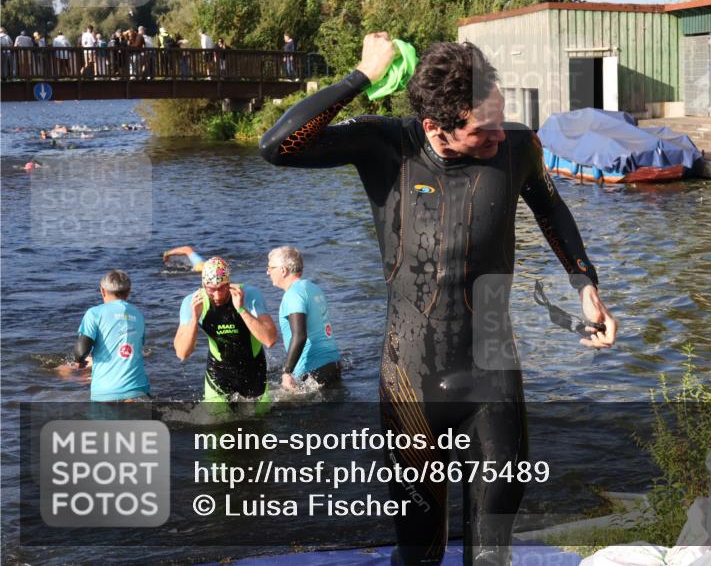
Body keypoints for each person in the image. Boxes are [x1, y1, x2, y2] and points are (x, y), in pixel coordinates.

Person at [260, 33, 617, 565]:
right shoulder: (387, 147)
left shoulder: (518, 146)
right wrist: (360, 75)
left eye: (501, 118)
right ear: (436, 128)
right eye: (482, 129)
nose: (500, 134)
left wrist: (584, 282)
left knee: (492, 551)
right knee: (419, 549)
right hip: (412, 383)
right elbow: (277, 146)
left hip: (493, 376)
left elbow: (550, 206)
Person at [173, 257, 277, 409]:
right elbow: (182, 353)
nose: (217, 295)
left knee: (260, 425)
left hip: (254, 370)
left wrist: (241, 309)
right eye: (211, 289)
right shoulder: (192, 301)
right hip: (218, 373)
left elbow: (270, 339)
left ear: (229, 283)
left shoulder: (249, 295)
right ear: (203, 285)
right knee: (216, 426)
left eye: (222, 288)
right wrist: (195, 318)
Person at [266, 246, 341, 392]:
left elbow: (300, 335)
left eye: (270, 267)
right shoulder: (313, 288)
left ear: (283, 270)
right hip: (333, 364)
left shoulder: (293, 295)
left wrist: (287, 372)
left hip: (313, 371)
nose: (268, 272)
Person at [71, 270, 151, 402]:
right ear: (129, 291)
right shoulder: (138, 315)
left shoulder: (94, 313)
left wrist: (78, 362)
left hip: (106, 392)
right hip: (139, 389)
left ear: (102, 290)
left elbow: (81, 351)